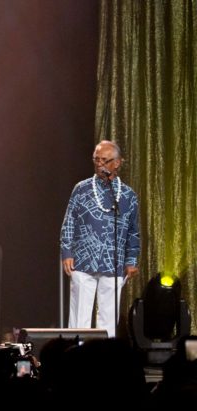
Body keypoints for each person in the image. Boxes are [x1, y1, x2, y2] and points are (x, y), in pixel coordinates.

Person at [60, 140, 140, 338]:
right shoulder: (82, 188)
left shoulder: (128, 195)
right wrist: (67, 252)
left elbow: (133, 231)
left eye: (105, 160)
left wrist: (131, 260)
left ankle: (105, 354)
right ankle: (75, 351)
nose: (99, 164)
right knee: (79, 316)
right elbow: (69, 222)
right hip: (82, 261)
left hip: (114, 263)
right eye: (96, 160)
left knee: (108, 318)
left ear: (117, 163)